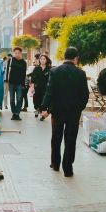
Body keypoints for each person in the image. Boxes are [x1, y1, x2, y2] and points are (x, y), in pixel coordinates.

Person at [41, 46, 89, 178]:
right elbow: (85, 95)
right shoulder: (81, 73)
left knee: (56, 138)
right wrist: (79, 107)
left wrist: (44, 107)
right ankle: (68, 168)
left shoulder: (54, 71)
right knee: (70, 139)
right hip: (73, 112)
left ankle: (55, 164)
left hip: (57, 111)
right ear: (76, 58)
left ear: (64, 57)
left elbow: (49, 91)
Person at [8, 47, 27, 120]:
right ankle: (14, 113)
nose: (17, 54)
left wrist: (23, 84)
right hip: (11, 83)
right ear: (13, 53)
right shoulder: (11, 60)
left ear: (21, 53)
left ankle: (17, 113)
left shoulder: (23, 62)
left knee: (19, 99)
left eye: (18, 53)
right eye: (15, 53)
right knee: (12, 99)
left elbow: (24, 74)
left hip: (19, 84)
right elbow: (7, 71)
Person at [31, 54, 51, 118]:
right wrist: (32, 87)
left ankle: (43, 114)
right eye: (41, 59)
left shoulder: (49, 69)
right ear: (39, 60)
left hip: (45, 88)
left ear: (46, 60)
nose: (42, 60)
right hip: (37, 87)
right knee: (36, 100)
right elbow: (33, 78)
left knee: (43, 100)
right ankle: (37, 110)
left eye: (44, 59)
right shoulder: (36, 68)